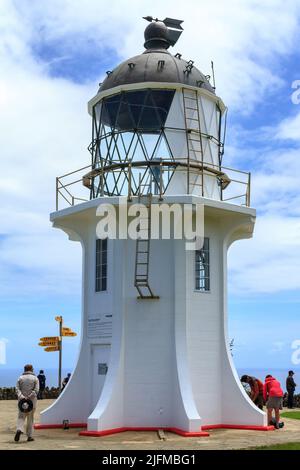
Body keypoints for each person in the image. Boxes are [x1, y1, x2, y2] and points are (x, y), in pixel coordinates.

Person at [15, 364, 39, 442]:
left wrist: (22, 396)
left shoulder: (20, 378)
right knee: (30, 418)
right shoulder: (35, 378)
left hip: (21, 401)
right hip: (32, 401)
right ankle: (29, 436)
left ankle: (19, 429)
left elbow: (17, 389)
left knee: (21, 416)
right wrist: (29, 397)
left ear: (24, 369)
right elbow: (36, 390)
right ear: (31, 369)